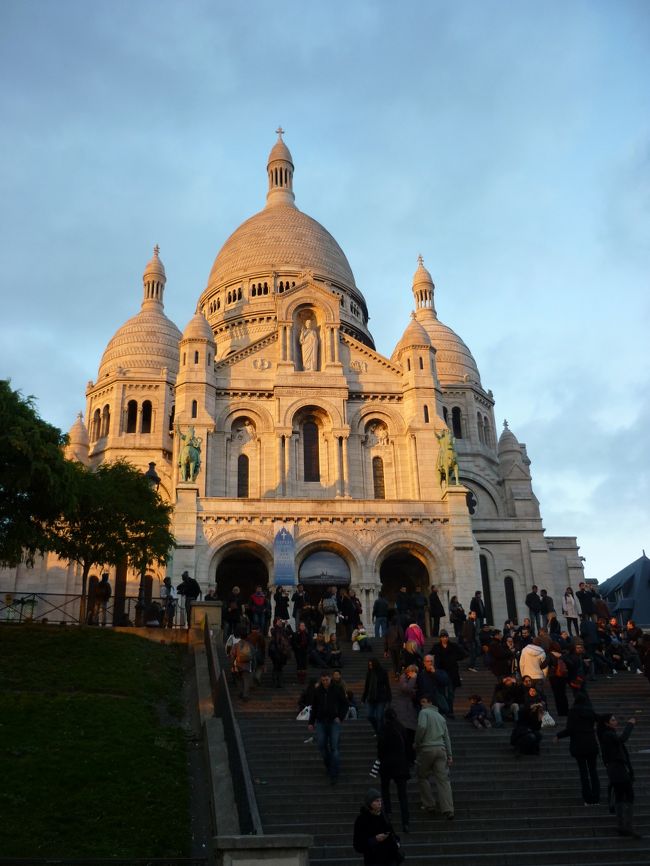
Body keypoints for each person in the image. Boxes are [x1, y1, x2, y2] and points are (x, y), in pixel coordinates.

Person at [597, 714, 641, 838]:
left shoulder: (607, 734)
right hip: (617, 769)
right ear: (606, 723)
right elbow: (622, 739)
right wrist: (630, 724)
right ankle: (627, 827)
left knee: (620, 795)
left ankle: (622, 826)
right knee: (629, 795)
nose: (616, 721)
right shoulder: (608, 734)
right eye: (613, 720)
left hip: (615, 769)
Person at [554, 691, 600, 805]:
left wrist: (558, 736)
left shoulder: (573, 712)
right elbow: (599, 719)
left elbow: (570, 729)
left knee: (583, 772)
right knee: (593, 771)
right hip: (591, 743)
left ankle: (587, 798)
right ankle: (596, 796)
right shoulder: (590, 711)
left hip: (579, 744)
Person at [414, 695, 454, 819]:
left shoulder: (423, 712)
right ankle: (448, 809)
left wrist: (417, 742)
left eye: (423, 702)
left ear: (430, 703)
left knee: (422, 776)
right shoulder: (441, 717)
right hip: (441, 749)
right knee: (443, 780)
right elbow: (446, 737)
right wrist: (450, 754)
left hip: (427, 748)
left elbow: (422, 727)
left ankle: (429, 804)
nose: (421, 704)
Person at [308, 671, 349, 784]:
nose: (325, 682)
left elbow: (345, 704)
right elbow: (314, 707)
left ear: (330, 679)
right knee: (321, 745)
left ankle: (334, 772)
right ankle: (329, 765)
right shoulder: (317, 691)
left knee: (334, 747)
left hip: (333, 721)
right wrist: (311, 722)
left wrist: (340, 717)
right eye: (323, 680)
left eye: (326, 680)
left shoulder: (337, 689)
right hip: (321, 721)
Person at [377, 708, 411, 833]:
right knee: (402, 795)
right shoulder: (401, 728)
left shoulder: (383, 729)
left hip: (386, 764)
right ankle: (405, 822)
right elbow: (408, 747)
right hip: (401, 765)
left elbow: (380, 748)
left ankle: (388, 812)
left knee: (385, 789)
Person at [353, 789, 404, 866]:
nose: (379, 803)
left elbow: (393, 834)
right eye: (376, 801)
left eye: (380, 800)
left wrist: (397, 843)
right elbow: (358, 845)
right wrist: (375, 839)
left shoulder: (383, 815)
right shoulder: (362, 819)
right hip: (373, 860)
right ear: (370, 803)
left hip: (390, 859)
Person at [362, 658, 392, 734]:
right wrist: (363, 697)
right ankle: (378, 730)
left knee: (379, 717)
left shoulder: (383, 672)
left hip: (381, 698)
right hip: (370, 697)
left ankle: (380, 733)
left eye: (371, 665)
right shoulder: (369, 673)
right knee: (369, 715)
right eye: (369, 665)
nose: (370, 666)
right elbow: (367, 686)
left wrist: (389, 697)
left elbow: (387, 686)